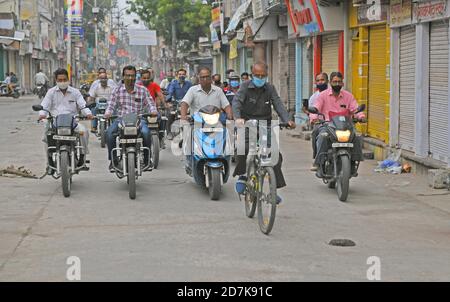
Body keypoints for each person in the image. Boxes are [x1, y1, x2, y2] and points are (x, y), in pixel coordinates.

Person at [232, 62, 296, 204]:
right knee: (243, 148)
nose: (260, 78)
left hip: (265, 125)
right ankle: (243, 174)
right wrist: (238, 118)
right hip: (247, 123)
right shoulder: (244, 87)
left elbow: (278, 104)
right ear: (252, 75)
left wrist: (287, 120)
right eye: (257, 75)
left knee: (276, 156)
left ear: (267, 76)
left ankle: (273, 190)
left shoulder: (270, 88)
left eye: (263, 76)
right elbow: (236, 103)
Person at [310, 71, 366, 176]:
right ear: (330, 82)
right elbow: (316, 107)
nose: (337, 84)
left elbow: (355, 108)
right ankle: (319, 162)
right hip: (327, 125)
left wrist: (361, 116)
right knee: (322, 136)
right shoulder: (322, 95)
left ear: (342, 83)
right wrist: (314, 117)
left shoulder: (348, 96)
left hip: (345, 126)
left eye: (339, 82)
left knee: (357, 136)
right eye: (334, 81)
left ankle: (354, 162)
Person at [38, 68, 93, 174]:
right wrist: (42, 115)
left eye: (64, 79)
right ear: (56, 80)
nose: (62, 82)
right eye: (60, 80)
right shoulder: (51, 92)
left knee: (84, 132)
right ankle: (49, 162)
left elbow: (83, 106)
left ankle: (82, 157)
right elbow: (44, 106)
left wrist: (89, 114)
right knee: (46, 136)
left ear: (68, 79)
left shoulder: (75, 92)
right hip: (55, 122)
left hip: (72, 122)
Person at [104, 65, 158, 171]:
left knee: (147, 133)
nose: (130, 78)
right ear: (123, 77)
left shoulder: (142, 90)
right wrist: (108, 113)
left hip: (139, 119)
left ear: (135, 77)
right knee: (109, 133)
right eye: (127, 75)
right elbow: (111, 105)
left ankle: (147, 160)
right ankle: (113, 161)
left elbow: (150, 103)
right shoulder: (117, 90)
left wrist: (153, 111)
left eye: (132, 76)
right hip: (121, 119)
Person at [180, 66, 233, 169]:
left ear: (211, 78)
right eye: (202, 77)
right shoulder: (193, 90)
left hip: (216, 121)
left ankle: (225, 158)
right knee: (188, 136)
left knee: (228, 136)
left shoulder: (218, 91)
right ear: (199, 78)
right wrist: (183, 117)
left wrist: (230, 115)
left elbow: (226, 105)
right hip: (198, 122)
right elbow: (184, 103)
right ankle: (189, 161)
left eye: (207, 77)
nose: (205, 79)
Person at [140, 69, 167, 148]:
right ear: (141, 78)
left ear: (150, 77)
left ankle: (161, 138)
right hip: (140, 111)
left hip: (152, 111)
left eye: (147, 78)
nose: (146, 80)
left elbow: (160, 95)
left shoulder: (154, 85)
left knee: (161, 118)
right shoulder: (137, 86)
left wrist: (164, 104)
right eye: (144, 78)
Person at [308, 72, 329, 166]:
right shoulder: (314, 97)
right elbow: (312, 111)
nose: (320, 82)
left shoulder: (335, 93)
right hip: (322, 123)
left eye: (322, 80)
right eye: (318, 80)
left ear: (327, 81)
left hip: (336, 123)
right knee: (315, 133)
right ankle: (317, 157)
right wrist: (313, 119)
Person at [166, 68, 192, 139]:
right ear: (177, 75)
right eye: (180, 74)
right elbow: (170, 93)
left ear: (185, 75)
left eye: (183, 74)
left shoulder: (189, 84)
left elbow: (193, 93)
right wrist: (168, 101)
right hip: (176, 104)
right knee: (170, 115)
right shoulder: (173, 83)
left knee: (193, 116)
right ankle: (169, 133)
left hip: (187, 105)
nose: (181, 76)